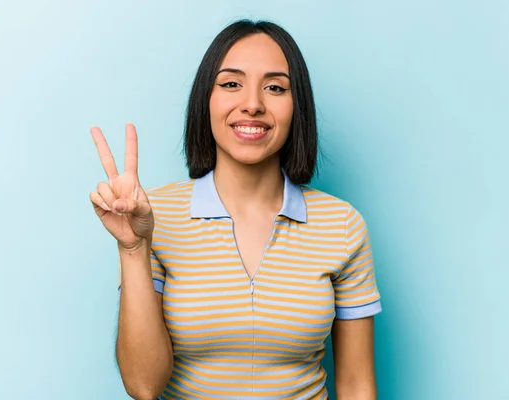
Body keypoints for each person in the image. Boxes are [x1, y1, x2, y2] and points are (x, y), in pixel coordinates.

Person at [89, 19, 382, 400]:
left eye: (275, 87)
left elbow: (357, 385)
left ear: (298, 107)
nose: (253, 104)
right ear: (205, 100)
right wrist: (132, 248)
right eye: (231, 83)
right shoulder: (152, 216)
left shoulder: (341, 225)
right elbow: (144, 386)